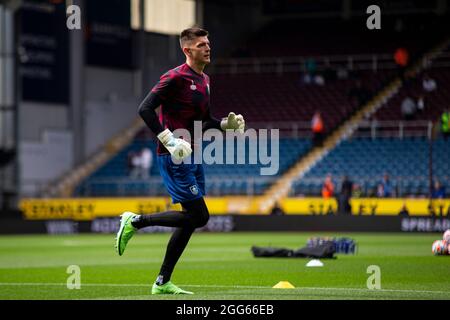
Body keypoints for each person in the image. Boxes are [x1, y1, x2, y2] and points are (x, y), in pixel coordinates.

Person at [114, 27, 245, 295]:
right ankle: (135, 221)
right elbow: (145, 109)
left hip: (193, 154)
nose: (207, 47)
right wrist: (170, 140)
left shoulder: (205, 80)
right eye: (201, 45)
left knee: (191, 219)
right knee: (200, 216)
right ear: (187, 50)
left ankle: (162, 282)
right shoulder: (173, 77)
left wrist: (224, 125)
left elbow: (202, 121)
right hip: (174, 155)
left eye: (208, 43)